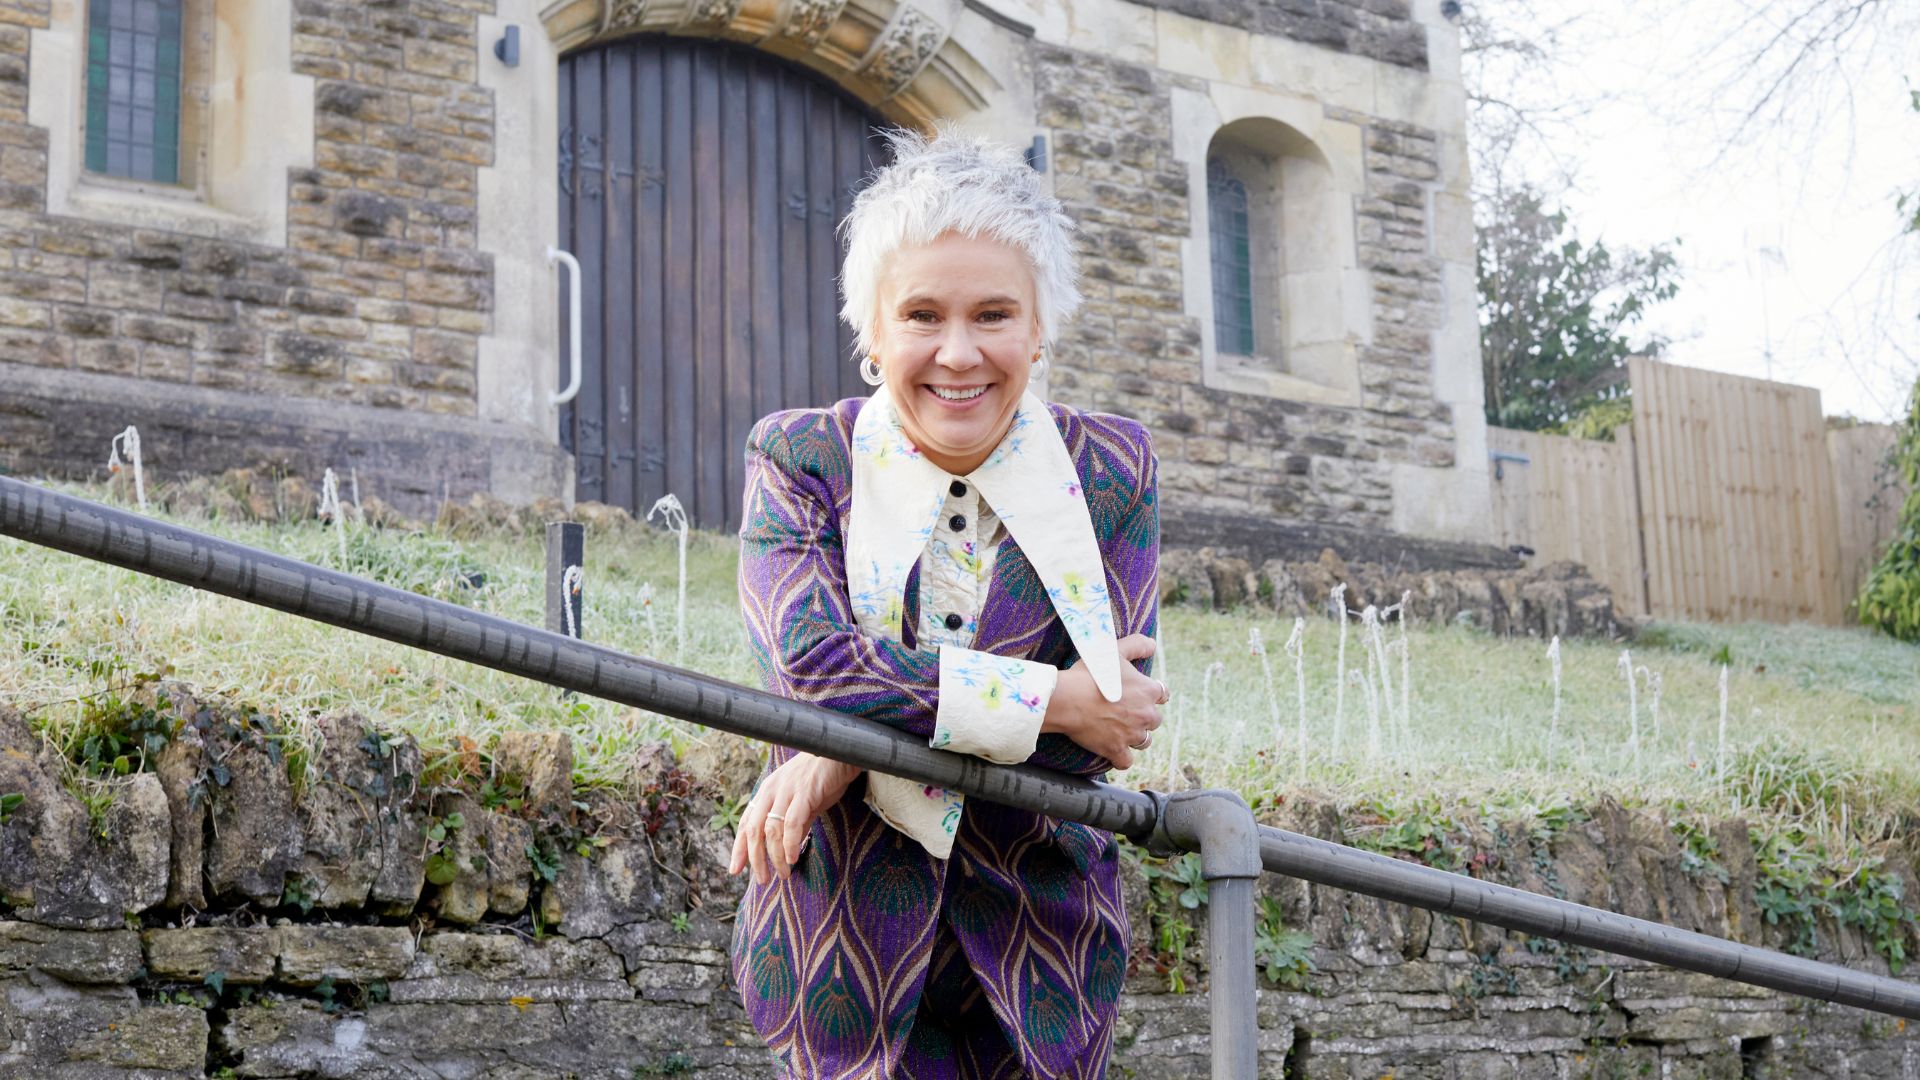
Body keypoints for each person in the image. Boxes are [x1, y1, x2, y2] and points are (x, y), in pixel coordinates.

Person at [728, 128, 1167, 1077]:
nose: (958, 353)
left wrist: (839, 754)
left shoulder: (1112, 469)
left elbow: (1103, 730)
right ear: (873, 331)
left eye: (994, 314)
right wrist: (1048, 695)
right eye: (922, 314)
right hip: (839, 948)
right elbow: (809, 664)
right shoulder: (801, 458)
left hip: (1042, 958)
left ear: (1040, 327)